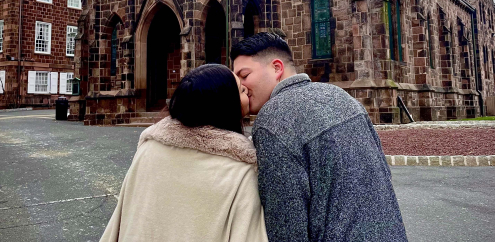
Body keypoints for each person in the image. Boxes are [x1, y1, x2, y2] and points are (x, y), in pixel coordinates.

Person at [231, 32, 407, 241]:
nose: (240, 85)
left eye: (244, 75)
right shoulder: (343, 98)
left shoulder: (272, 120)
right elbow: (382, 176)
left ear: (277, 68)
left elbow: (287, 226)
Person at [100, 64, 268, 242]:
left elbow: (120, 221)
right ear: (226, 104)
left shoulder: (148, 149)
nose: (247, 92)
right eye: (241, 90)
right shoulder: (240, 171)